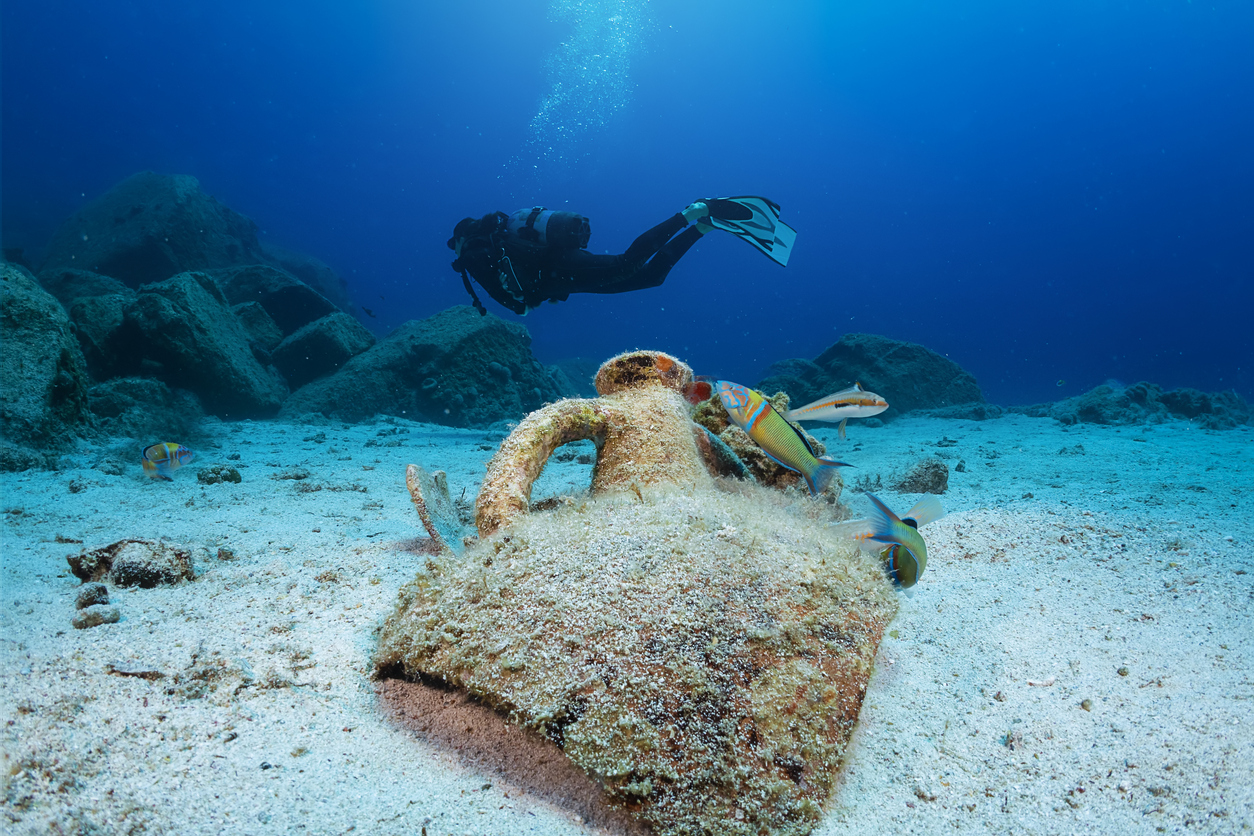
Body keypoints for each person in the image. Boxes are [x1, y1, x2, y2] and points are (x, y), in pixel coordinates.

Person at [448, 196, 796, 315]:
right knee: (650, 277)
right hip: (554, 277)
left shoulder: (474, 254)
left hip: (553, 271)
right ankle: (704, 226)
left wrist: (525, 301)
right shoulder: (488, 244)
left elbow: (512, 301)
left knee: (626, 264)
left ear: (462, 238)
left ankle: (691, 212)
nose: (455, 252)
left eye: (455, 244)